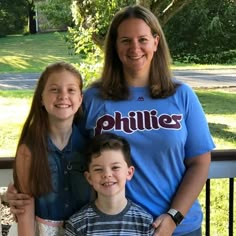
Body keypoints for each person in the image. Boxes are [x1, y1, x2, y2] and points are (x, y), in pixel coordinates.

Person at [7, 4, 215, 236]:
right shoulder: (95, 98)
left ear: (156, 42)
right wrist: (19, 190)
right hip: (110, 228)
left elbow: (200, 162)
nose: (134, 47)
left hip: (178, 228)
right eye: (125, 40)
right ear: (115, 46)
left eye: (142, 39)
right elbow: (59, 144)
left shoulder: (182, 95)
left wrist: (174, 216)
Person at [11, 61, 91, 235]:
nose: (63, 96)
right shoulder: (29, 150)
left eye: (71, 90)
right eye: (54, 89)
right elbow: (24, 208)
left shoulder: (90, 148)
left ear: (80, 99)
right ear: (41, 98)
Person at [65, 132, 154, 235]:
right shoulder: (77, 225)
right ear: (89, 177)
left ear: (129, 173)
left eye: (115, 167)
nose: (107, 175)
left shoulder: (144, 223)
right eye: (98, 169)